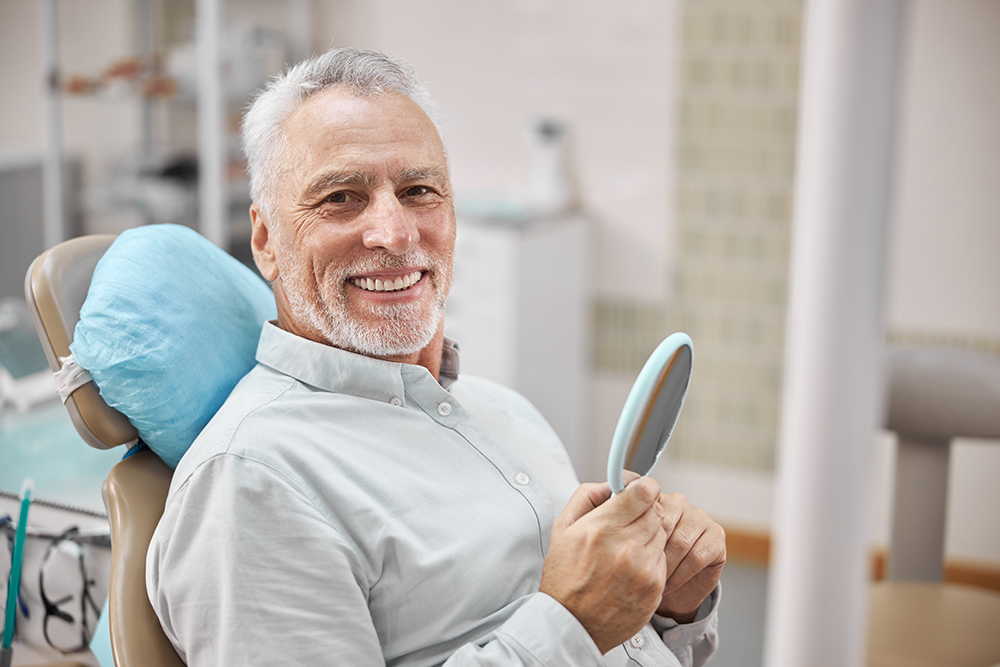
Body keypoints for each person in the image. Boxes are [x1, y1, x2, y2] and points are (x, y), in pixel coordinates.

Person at [146, 47, 726, 667]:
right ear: (265, 240)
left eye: (419, 191)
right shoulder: (253, 482)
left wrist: (671, 610)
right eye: (341, 198)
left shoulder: (507, 412)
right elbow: (576, 631)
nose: (395, 234)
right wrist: (569, 624)